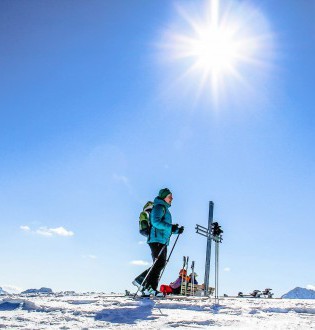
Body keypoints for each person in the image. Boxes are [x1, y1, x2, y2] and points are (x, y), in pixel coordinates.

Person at [133, 188, 184, 296]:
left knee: (159, 264)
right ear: (164, 197)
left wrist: (176, 230)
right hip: (156, 239)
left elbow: (164, 227)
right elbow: (156, 222)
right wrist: (171, 227)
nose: (172, 198)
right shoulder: (160, 207)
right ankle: (141, 281)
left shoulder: (164, 208)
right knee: (159, 263)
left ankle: (149, 289)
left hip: (161, 239)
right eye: (170, 196)